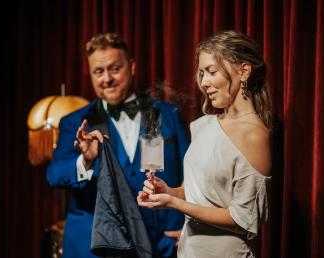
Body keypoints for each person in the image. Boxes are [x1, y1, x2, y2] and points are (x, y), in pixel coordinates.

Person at [47, 32, 189, 258]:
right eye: (98, 72)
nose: (107, 79)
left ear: (131, 67)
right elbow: (55, 174)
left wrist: (192, 226)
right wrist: (86, 160)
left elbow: (193, 175)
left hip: (162, 244)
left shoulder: (166, 114)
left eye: (114, 68)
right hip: (97, 247)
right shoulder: (75, 122)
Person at [137, 30, 273, 258]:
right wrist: (170, 191)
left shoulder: (254, 135)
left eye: (211, 72)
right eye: (201, 73)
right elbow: (196, 193)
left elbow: (244, 220)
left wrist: (174, 204)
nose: (204, 82)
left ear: (243, 71)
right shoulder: (202, 125)